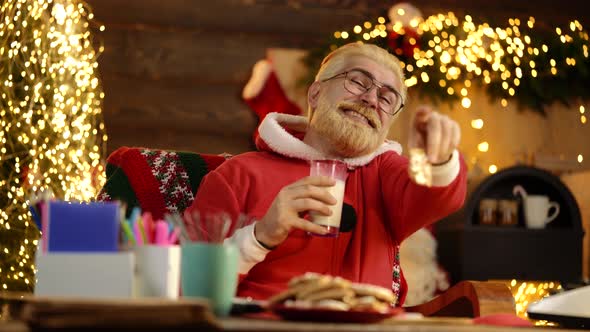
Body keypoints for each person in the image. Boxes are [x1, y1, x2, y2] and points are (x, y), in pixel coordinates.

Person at [186, 42, 467, 305]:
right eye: (358, 81)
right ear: (316, 93)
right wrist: (259, 237)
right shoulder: (239, 174)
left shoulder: (385, 173)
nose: (371, 99)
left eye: (387, 98)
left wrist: (437, 158)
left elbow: (434, 194)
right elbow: (187, 287)